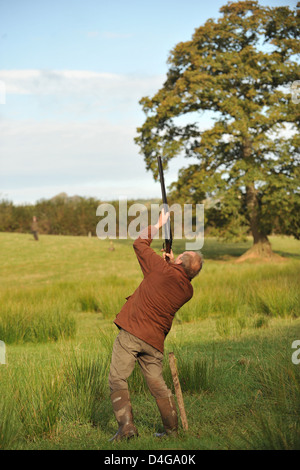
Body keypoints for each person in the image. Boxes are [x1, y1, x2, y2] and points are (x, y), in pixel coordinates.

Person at [108, 209, 203, 441]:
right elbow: (175, 277)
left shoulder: (161, 269)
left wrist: (159, 224)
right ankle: (172, 431)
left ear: (179, 260)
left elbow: (140, 243)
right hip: (155, 342)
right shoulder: (187, 290)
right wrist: (172, 264)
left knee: (117, 378)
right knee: (158, 385)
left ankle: (126, 428)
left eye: (180, 255)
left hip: (132, 332)